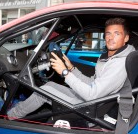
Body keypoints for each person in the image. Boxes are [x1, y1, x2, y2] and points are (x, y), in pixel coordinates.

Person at [7, 18, 135, 120]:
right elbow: (93, 83)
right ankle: (18, 108)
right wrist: (72, 69)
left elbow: (92, 94)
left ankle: (9, 116)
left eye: (117, 34)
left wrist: (65, 72)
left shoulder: (119, 63)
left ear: (126, 38)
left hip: (90, 108)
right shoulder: (110, 57)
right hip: (94, 101)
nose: (111, 38)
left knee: (43, 92)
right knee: (49, 85)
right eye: (108, 33)